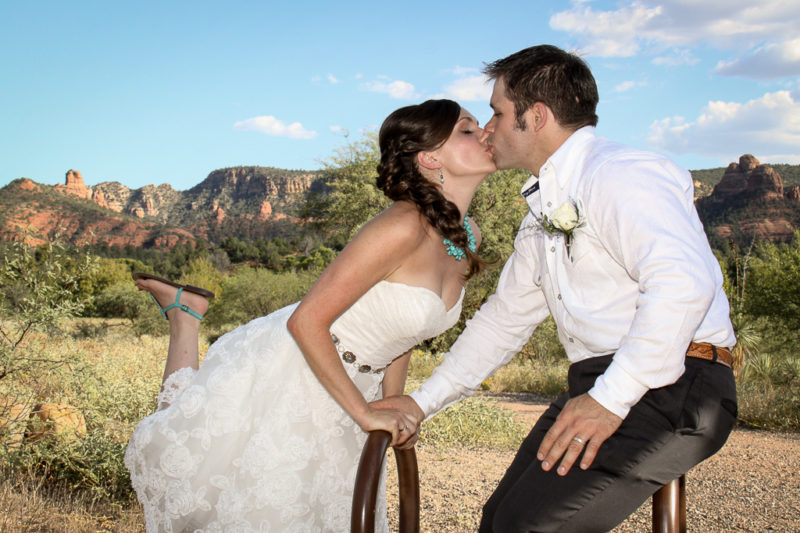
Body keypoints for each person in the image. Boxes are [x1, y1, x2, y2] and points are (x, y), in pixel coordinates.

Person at [374, 45, 738, 532]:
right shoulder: (543, 209)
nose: (488, 129)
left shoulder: (619, 174)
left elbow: (683, 283)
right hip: (597, 383)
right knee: (499, 520)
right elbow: (504, 320)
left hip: (672, 383)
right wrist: (422, 402)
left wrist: (610, 399)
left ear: (536, 117)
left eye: (497, 113)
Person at [124, 98, 496, 532]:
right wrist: (365, 413)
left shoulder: (466, 235)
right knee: (194, 458)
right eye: (469, 130)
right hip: (298, 368)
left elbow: (403, 334)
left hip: (356, 386)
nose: (486, 132)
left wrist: (388, 402)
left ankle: (185, 310)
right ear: (430, 158)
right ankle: (184, 317)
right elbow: (305, 321)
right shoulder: (402, 226)